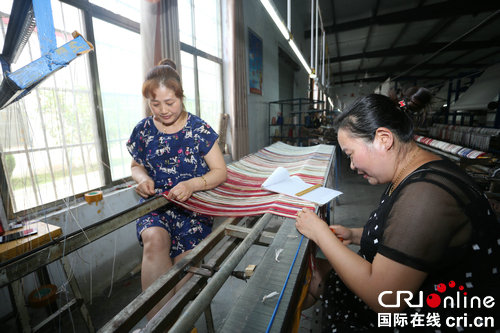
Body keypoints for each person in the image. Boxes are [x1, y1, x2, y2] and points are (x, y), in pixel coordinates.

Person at [295, 89, 500, 332]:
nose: (351, 166)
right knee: (315, 272)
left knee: (312, 280)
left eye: (350, 154)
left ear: (383, 139)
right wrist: (354, 234)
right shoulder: (415, 172)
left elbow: (386, 299)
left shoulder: (426, 195)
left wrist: (321, 234)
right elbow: (412, 238)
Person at [126, 59, 227, 319]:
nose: (163, 110)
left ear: (180, 96)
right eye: (155, 103)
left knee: (186, 263)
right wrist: (141, 178)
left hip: (193, 209)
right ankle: (156, 323)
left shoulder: (199, 129)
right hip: (157, 204)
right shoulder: (143, 130)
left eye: (169, 102)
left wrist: (192, 184)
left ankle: (173, 320)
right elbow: (135, 165)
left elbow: (220, 172)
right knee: (154, 240)